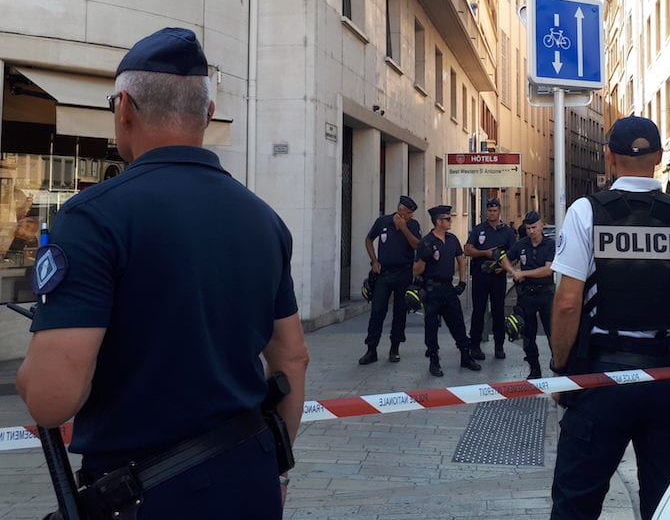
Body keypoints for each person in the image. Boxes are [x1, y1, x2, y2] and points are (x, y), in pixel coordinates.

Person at [16, 28, 309, 520]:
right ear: (208, 115)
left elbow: (51, 401)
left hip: (146, 495)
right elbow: (293, 357)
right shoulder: (263, 218)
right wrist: (275, 469)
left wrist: (31, 372)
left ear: (124, 107)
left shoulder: (93, 216)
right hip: (251, 475)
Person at [548, 116, 670, 520]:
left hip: (598, 381)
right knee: (665, 504)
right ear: (660, 158)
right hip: (669, 382)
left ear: (608, 157)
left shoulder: (585, 213)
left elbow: (566, 304)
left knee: (575, 504)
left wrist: (560, 372)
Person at [414, 205, 482, 377]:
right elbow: (416, 270)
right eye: (447, 219)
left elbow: (461, 260)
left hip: (448, 288)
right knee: (431, 326)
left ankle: (465, 356)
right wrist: (424, 257)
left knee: (458, 323)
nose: (450, 221)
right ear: (438, 221)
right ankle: (434, 360)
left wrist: (463, 282)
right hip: (432, 290)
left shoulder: (452, 239)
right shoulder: (426, 242)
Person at [359, 196, 421, 365]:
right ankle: (371, 349)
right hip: (384, 274)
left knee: (400, 313)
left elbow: (417, 245)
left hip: (404, 273)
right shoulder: (383, 222)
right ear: (401, 210)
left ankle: (395, 348)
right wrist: (374, 261)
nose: (411, 216)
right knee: (377, 311)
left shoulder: (413, 225)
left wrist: (404, 228)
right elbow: (369, 239)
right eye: (409, 213)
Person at [500, 210, 555, 379]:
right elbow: (504, 259)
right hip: (526, 296)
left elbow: (548, 270)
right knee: (528, 335)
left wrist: (523, 274)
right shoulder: (522, 244)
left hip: (545, 295)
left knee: (553, 334)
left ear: (541, 226)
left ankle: (558, 367)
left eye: (534, 227)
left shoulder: (550, 244)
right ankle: (534, 369)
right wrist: (512, 270)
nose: (531, 231)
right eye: (528, 228)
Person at [464, 197, 517, 360]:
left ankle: (499, 346)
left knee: (498, 311)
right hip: (480, 276)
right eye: (489, 211)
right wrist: (485, 253)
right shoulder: (479, 229)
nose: (491, 213)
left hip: (498, 277)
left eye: (494, 211)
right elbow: (467, 249)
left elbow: (513, 255)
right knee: (478, 311)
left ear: (499, 211)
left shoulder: (507, 232)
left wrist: (504, 267)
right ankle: (475, 346)